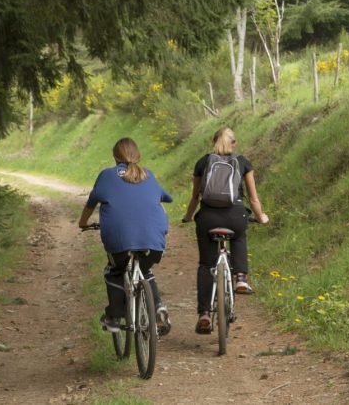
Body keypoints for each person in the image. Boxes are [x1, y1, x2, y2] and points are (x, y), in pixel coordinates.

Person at [79, 137, 173, 335]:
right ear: (137, 155)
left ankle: (113, 317)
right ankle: (157, 307)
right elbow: (167, 198)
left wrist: (83, 223)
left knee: (114, 270)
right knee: (145, 270)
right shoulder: (148, 174)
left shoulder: (106, 175)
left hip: (120, 239)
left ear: (115, 156)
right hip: (154, 241)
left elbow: (91, 203)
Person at [182, 127, 269, 334]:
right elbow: (254, 198)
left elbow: (195, 197)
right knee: (239, 236)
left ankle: (204, 313)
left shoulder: (203, 162)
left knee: (206, 264)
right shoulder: (243, 162)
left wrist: (188, 217)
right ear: (234, 143)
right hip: (235, 215)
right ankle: (240, 278)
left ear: (213, 142)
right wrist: (261, 217)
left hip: (208, 218)